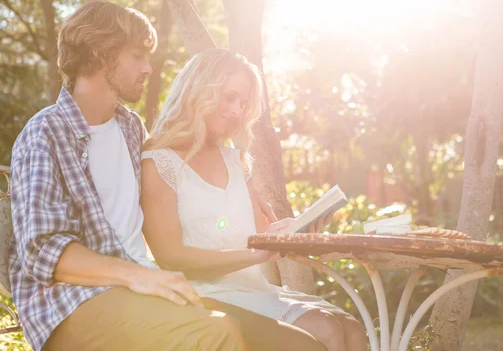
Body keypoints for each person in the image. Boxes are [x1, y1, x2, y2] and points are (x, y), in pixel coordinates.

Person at [9, 0, 326, 351]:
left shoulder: (130, 128)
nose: (148, 68)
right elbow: (43, 252)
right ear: (100, 53)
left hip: (142, 288)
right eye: (137, 56)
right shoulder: (45, 133)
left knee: (300, 345)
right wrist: (139, 275)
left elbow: (181, 181)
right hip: (71, 304)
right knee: (217, 334)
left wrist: (250, 200)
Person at [140, 49, 368, 351]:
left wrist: (294, 232)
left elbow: (261, 238)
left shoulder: (235, 161)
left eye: (243, 102)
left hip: (255, 289)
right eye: (229, 97)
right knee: (325, 329)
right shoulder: (158, 163)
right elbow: (172, 257)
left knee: (351, 329)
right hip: (201, 293)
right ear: (199, 92)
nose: (237, 109)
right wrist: (257, 254)